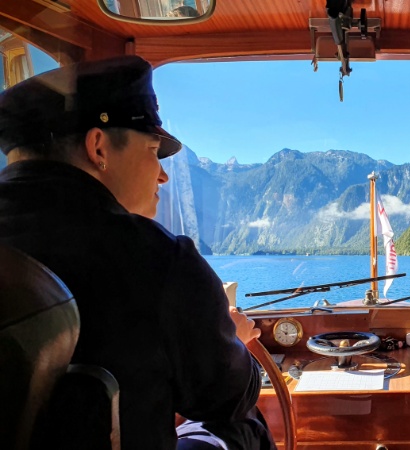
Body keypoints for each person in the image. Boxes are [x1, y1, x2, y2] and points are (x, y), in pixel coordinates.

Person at [0, 56, 276, 450]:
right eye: (152, 150)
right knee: (242, 426)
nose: (162, 174)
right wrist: (236, 341)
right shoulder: (157, 259)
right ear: (98, 147)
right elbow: (226, 397)